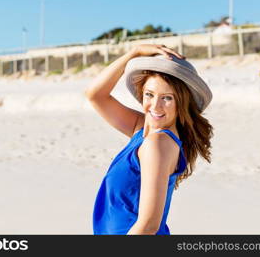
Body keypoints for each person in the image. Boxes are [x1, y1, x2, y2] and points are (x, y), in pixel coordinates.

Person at [85, 44, 213, 235]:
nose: (156, 106)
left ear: (182, 102)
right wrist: (133, 53)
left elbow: (148, 225)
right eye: (149, 94)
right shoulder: (142, 129)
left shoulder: (158, 143)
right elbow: (96, 95)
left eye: (167, 98)